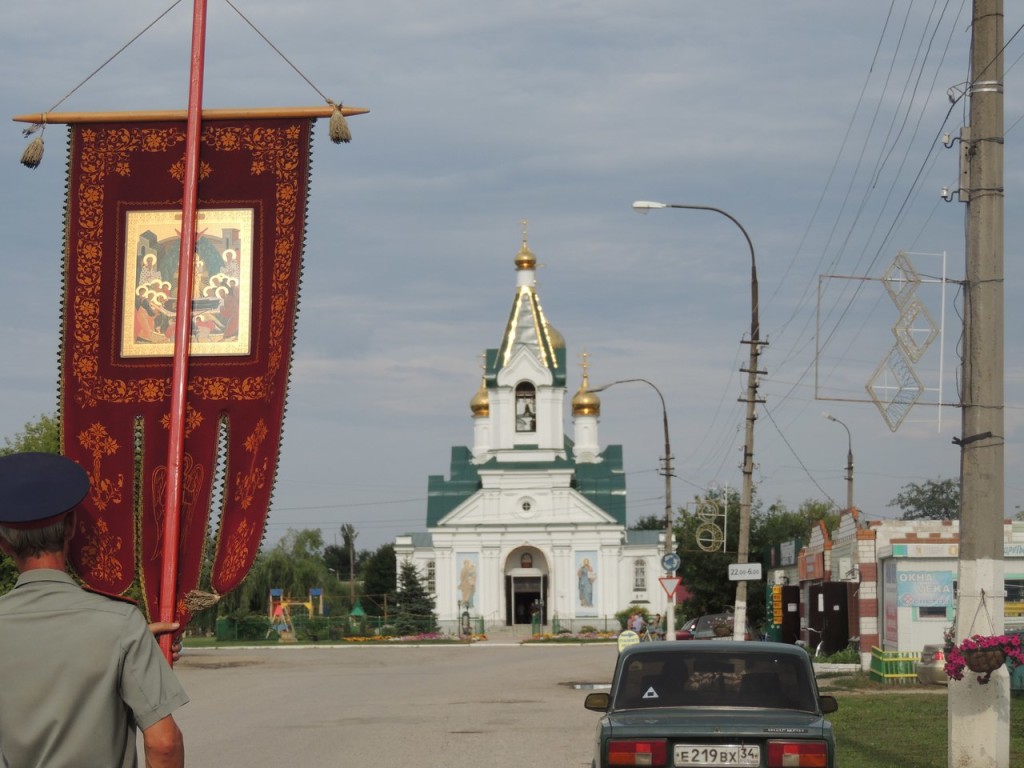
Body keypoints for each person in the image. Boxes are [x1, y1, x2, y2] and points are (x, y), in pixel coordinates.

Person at [0, 452, 189, 768]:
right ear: (72, 527)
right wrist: (130, 640)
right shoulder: (121, 625)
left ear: (4, 544)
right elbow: (164, 744)